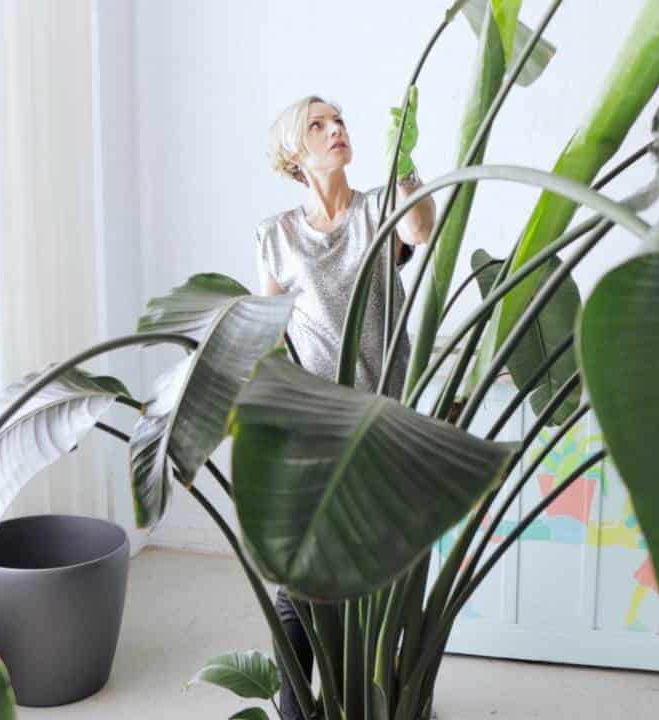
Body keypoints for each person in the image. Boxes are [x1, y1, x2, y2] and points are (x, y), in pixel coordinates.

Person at [255, 91, 436, 720]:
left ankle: (374, 705)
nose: (336, 130)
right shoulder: (276, 236)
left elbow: (420, 229)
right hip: (315, 427)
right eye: (318, 125)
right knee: (299, 580)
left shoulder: (377, 212)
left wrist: (405, 164)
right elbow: (271, 334)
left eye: (339, 121)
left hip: (382, 419)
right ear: (294, 152)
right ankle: (295, 709)